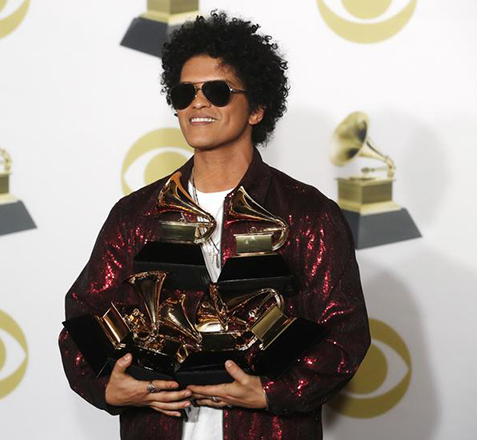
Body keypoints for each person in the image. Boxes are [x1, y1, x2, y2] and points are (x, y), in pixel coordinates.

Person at [59, 11, 370, 440]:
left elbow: (345, 333)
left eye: (218, 91)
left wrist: (271, 391)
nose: (198, 103)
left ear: (258, 107)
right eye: (185, 93)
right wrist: (108, 385)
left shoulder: (308, 215)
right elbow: (82, 316)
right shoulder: (135, 215)